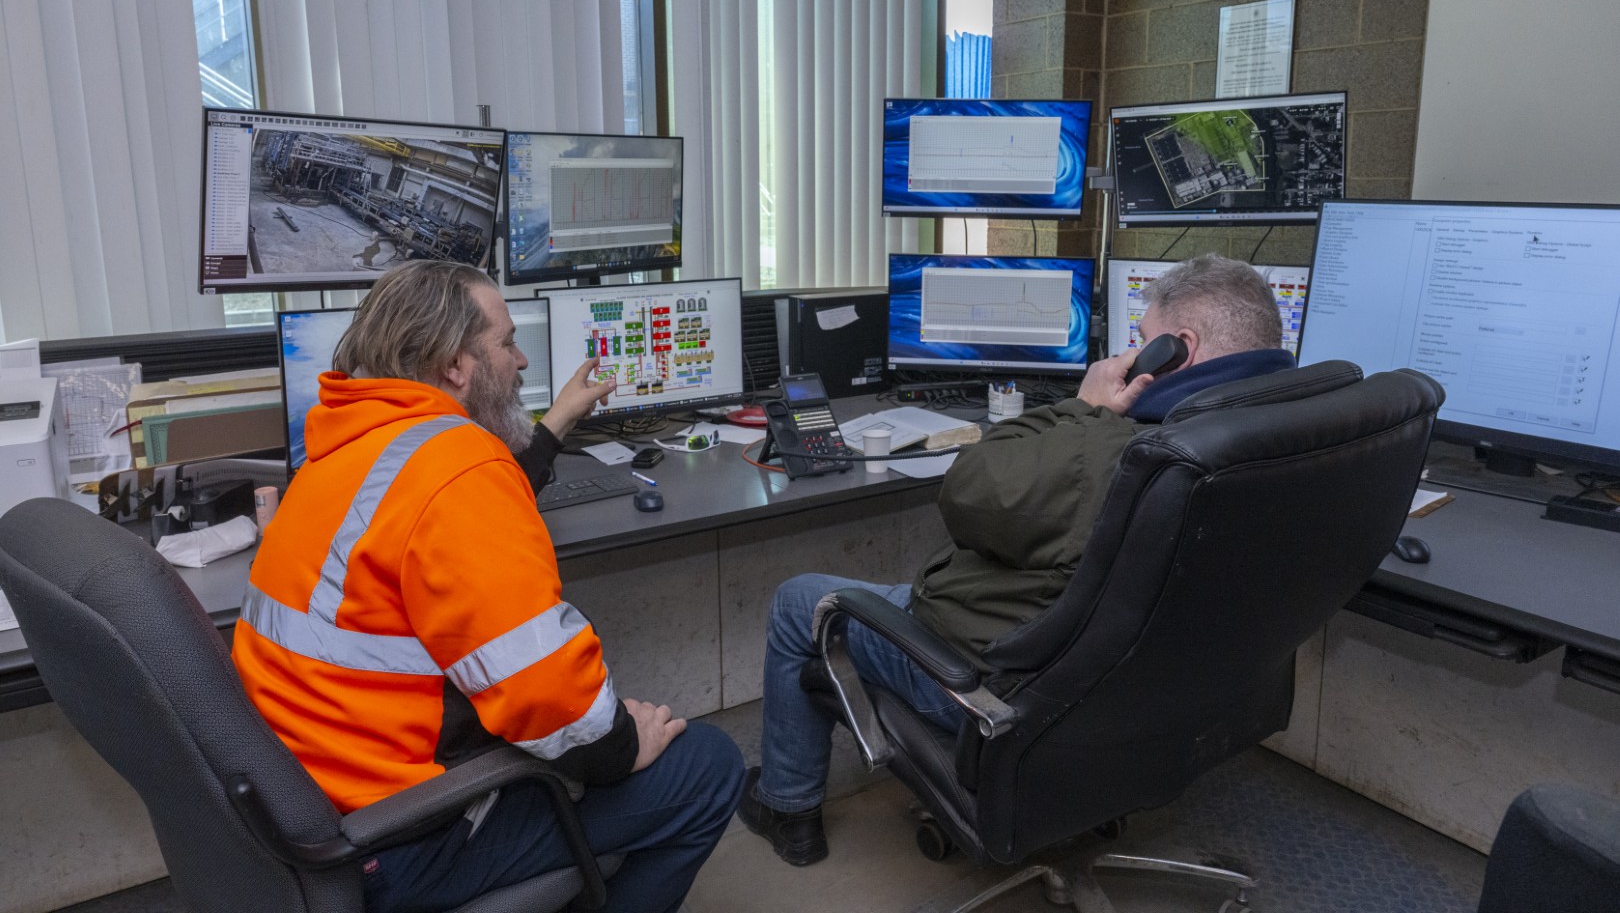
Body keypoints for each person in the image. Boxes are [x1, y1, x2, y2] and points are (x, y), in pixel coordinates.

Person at [738, 253, 1297, 866]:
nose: (1133, 358)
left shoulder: (1121, 453)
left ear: (1178, 350)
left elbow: (966, 492)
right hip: (1167, 696)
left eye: (1142, 343)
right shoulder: (1302, 433)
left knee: (800, 599)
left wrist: (1085, 406)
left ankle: (787, 808)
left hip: (1007, 693)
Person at [233, 260, 744, 913]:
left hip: (311, 811)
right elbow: (555, 702)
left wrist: (554, 425)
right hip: (409, 834)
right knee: (704, 766)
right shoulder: (459, 470)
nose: (522, 359)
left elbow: (434, 516)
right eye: (506, 342)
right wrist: (624, 746)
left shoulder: (337, 453)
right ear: (455, 365)